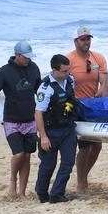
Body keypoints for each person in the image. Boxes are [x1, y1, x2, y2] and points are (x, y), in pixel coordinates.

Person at [0, 40, 42, 200]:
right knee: (19, 154)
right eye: (25, 57)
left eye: (30, 57)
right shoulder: (4, 71)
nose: (28, 60)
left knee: (27, 156)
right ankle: (12, 180)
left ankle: (22, 192)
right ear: (17, 55)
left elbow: (40, 91)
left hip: (30, 119)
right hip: (12, 120)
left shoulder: (34, 68)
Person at [67, 26, 108, 193]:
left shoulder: (98, 58)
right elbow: (62, 84)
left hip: (94, 107)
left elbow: (104, 82)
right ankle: (81, 181)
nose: (87, 42)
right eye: (83, 39)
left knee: (97, 147)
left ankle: (84, 176)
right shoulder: (68, 59)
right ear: (76, 41)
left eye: (88, 38)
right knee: (84, 147)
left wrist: (99, 95)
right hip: (76, 107)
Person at [34, 54, 78, 203]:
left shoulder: (70, 81)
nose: (67, 74)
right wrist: (43, 136)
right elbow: (38, 113)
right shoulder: (46, 88)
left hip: (68, 129)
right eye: (64, 71)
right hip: (51, 131)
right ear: (54, 70)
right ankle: (42, 193)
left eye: (68, 70)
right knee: (48, 165)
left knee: (68, 163)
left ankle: (57, 194)